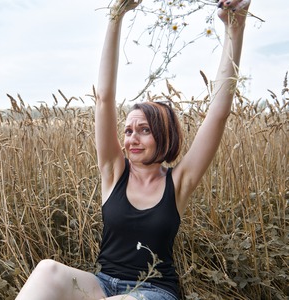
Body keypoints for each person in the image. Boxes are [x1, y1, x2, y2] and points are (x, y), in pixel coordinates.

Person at [16, 0, 250, 299]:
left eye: (144, 130)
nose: (132, 139)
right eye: (127, 131)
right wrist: (116, 16)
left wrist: (235, 29)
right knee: (48, 270)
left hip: (154, 292)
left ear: (164, 136)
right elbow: (103, 98)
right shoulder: (114, 173)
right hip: (103, 285)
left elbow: (218, 113)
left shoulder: (178, 183)